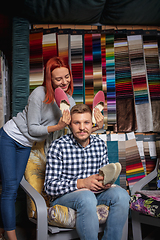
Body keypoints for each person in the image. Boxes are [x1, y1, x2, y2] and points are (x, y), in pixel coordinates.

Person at [0, 57, 104, 240]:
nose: (64, 82)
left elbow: (77, 128)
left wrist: (97, 126)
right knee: (10, 188)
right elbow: (32, 129)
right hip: (11, 137)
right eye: (58, 79)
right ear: (50, 79)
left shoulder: (69, 100)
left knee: (14, 187)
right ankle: (11, 236)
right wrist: (58, 126)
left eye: (67, 77)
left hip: (27, 143)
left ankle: (6, 228)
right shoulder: (38, 94)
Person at [44, 104, 130, 240]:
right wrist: (82, 183)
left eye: (86, 122)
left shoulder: (99, 145)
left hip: (95, 194)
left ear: (92, 124)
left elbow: (103, 174)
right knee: (86, 196)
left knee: (122, 195)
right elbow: (49, 186)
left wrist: (105, 182)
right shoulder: (58, 146)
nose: (82, 127)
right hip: (64, 198)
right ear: (70, 125)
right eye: (77, 122)